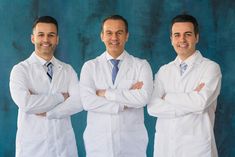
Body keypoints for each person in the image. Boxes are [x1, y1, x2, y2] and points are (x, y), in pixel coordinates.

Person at [147, 14, 222, 157]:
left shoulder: (211, 68)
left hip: (197, 149)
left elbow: (200, 103)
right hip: (166, 148)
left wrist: (167, 97)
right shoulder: (164, 71)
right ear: (171, 39)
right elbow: (152, 107)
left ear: (196, 37)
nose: (182, 40)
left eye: (188, 34)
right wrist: (190, 100)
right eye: (177, 35)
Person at [79, 15, 153, 157]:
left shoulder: (141, 65)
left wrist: (106, 93)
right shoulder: (90, 66)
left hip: (131, 143)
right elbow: (87, 102)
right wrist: (124, 103)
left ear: (127, 36)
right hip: (98, 143)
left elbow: (143, 98)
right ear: (102, 36)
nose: (114, 37)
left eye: (119, 33)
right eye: (109, 33)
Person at [9, 16, 83, 157]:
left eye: (51, 35)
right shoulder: (20, 70)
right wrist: (62, 97)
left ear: (57, 39)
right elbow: (27, 104)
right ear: (33, 38)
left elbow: (79, 102)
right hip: (34, 149)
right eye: (41, 35)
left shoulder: (67, 70)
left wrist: (48, 112)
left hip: (64, 148)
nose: (46, 40)